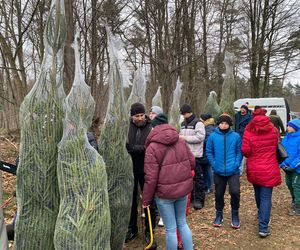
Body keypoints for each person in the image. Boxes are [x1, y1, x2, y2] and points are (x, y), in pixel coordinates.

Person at [142, 113, 194, 250]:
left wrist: (145, 200)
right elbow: (192, 162)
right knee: (182, 223)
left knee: (170, 229)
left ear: (155, 127)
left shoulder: (152, 148)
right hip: (182, 191)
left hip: (164, 195)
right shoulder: (181, 141)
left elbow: (150, 178)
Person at [242, 108, 281, 238]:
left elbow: (246, 151)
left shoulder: (248, 130)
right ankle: (263, 227)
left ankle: (261, 214)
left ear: (253, 117)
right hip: (269, 167)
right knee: (266, 198)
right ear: (265, 116)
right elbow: (276, 145)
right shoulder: (274, 130)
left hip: (254, 167)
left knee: (258, 193)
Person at [125, 102, 156, 247]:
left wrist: (134, 148)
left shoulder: (151, 128)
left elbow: (151, 147)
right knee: (131, 200)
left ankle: (150, 231)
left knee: (148, 201)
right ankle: (132, 229)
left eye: (142, 115)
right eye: (136, 115)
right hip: (130, 170)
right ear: (132, 116)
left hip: (146, 169)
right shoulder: (127, 127)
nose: (139, 118)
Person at [206, 113, 242, 229]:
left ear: (229, 124)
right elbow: (209, 152)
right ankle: (218, 215)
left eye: (226, 123)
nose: (223, 125)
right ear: (218, 124)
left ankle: (235, 215)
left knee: (235, 192)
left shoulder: (236, 136)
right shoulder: (212, 137)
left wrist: (236, 164)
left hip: (233, 170)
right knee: (219, 194)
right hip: (218, 170)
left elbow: (239, 152)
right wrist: (214, 165)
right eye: (221, 123)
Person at [179, 104, 206, 210]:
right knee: (186, 178)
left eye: (184, 113)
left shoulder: (198, 123)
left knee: (198, 178)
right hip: (185, 154)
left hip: (196, 155)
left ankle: (199, 199)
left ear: (189, 112)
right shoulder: (182, 124)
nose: (183, 115)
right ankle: (189, 198)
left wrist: (184, 138)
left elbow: (200, 137)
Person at [280, 119, 300, 216]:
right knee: (289, 184)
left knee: (296, 185)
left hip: (297, 168)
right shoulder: (286, 137)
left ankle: (298, 205)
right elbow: (282, 152)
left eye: (289, 126)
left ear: (295, 127)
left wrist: (293, 166)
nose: (287, 128)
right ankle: (294, 199)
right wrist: (282, 164)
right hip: (286, 166)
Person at [199, 113, 216, 194]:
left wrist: (200, 140)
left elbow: (208, 141)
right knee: (206, 170)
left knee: (207, 170)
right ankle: (207, 186)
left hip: (206, 152)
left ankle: (209, 187)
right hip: (206, 152)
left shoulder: (208, 128)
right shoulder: (209, 127)